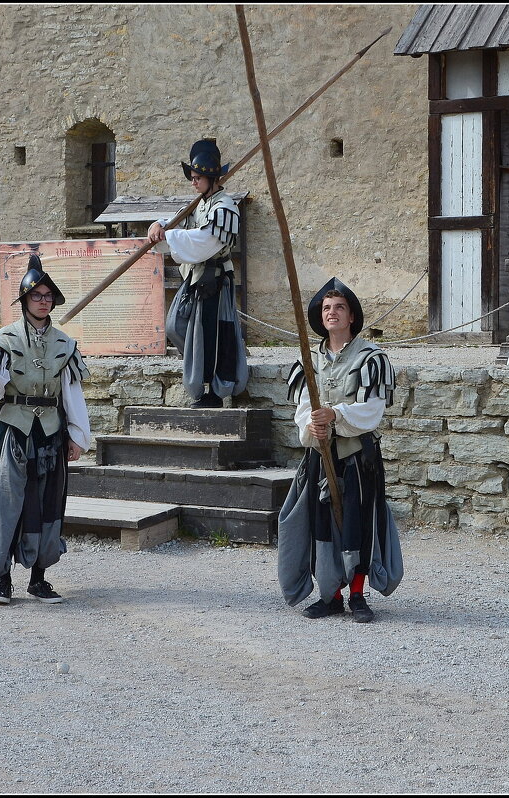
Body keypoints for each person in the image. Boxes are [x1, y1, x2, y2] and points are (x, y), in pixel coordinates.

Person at [0, 255, 91, 606]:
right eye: (37, 295)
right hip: (13, 430)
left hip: (50, 433)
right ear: (24, 300)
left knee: (47, 505)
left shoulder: (64, 344)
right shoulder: (2, 340)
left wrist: (77, 436)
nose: (44, 300)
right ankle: (2, 579)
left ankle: (39, 578)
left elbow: (71, 393)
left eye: (48, 295)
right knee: (5, 502)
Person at [277, 279, 403, 623]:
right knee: (321, 525)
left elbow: (372, 411)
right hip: (321, 456)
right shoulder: (308, 360)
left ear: (351, 316)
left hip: (356, 458)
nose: (332, 313)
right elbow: (303, 408)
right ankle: (330, 595)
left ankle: (358, 596)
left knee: (357, 525)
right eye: (326, 308)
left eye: (339, 307)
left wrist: (335, 415)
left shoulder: (372, 359)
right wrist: (311, 426)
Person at [148, 137, 248, 408]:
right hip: (195, 279)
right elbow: (177, 221)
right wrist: (159, 225)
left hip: (214, 281)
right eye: (192, 177)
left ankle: (214, 393)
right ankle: (201, 379)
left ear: (211, 177)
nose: (193, 182)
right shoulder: (200, 204)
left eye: (197, 177)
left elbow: (204, 242)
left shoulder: (225, 207)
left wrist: (169, 235)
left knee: (213, 335)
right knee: (177, 327)